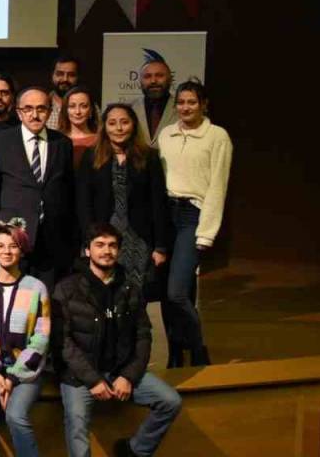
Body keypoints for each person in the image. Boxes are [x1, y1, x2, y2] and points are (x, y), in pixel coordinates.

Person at [53, 223, 182, 457]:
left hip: (120, 371)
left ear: (119, 250)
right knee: (77, 423)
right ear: (87, 250)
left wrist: (128, 376)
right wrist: (93, 380)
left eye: (112, 245)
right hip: (80, 377)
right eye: (99, 245)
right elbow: (63, 343)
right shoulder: (67, 288)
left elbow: (143, 335)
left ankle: (134, 451)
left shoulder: (130, 287)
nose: (106, 250)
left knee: (170, 401)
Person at [157, 80, 232, 367]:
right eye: (181, 102)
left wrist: (206, 233)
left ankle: (197, 347)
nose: (185, 107)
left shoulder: (217, 136)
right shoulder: (167, 134)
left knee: (177, 292)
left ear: (204, 104)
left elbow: (217, 186)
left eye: (191, 102)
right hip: (167, 214)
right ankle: (176, 351)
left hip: (193, 215)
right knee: (169, 292)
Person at [0, 221, 50, 457]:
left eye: (13, 246)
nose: (6, 251)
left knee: (16, 416)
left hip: (25, 371)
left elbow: (41, 338)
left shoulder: (36, 288)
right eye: (0, 246)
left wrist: (13, 377)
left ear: (22, 250)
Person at [75, 104, 170, 301]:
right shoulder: (92, 156)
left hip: (138, 239)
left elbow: (158, 203)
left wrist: (160, 246)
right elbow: (84, 203)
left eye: (124, 122)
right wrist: (88, 240)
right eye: (112, 123)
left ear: (133, 125)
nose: (118, 128)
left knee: (135, 298)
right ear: (105, 127)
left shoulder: (149, 157)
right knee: (103, 295)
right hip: (104, 238)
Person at [0, 87, 76, 289]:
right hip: (13, 235)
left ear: (50, 111)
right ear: (18, 112)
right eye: (28, 109)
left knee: (48, 299)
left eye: (41, 109)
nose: (34, 115)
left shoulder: (62, 143)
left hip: (53, 237)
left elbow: (69, 190)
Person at [129, 59, 177, 146]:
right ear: (140, 81)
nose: (153, 81)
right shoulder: (130, 108)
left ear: (170, 79)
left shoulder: (182, 108)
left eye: (159, 75)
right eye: (147, 76)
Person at [59, 85, 100, 164]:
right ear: (66, 111)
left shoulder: (101, 140)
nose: (77, 112)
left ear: (91, 110)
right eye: (72, 106)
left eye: (83, 106)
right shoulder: (57, 140)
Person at [46, 55, 82, 131]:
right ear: (52, 76)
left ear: (78, 77)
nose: (65, 79)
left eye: (71, 75)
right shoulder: (42, 105)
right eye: (60, 74)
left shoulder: (88, 107)